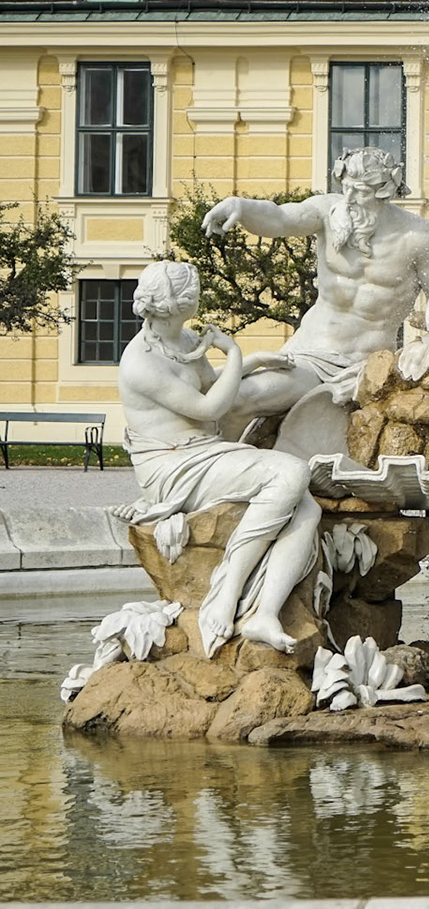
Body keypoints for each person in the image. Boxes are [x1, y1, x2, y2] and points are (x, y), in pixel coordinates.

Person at [201, 146, 429, 460]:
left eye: (359, 191)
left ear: (384, 189)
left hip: (366, 366)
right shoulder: (327, 213)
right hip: (309, 356)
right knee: (236, 399)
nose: (349, 199)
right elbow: (279, 218)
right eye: (345, 188)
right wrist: (241, 207)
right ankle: (218, 478)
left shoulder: (419, 235)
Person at [110, 262, 322, 655]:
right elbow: (211, 409)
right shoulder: (140, 362)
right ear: (177, 304)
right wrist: (236, 351)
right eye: (193, 292)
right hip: (174, 467)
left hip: (205, 452)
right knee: (291, 472)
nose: (199, 296)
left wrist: (254, 361)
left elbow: (211, 384)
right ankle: (226, 597)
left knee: (306, 507)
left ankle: (264, 613)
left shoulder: (183, 339)